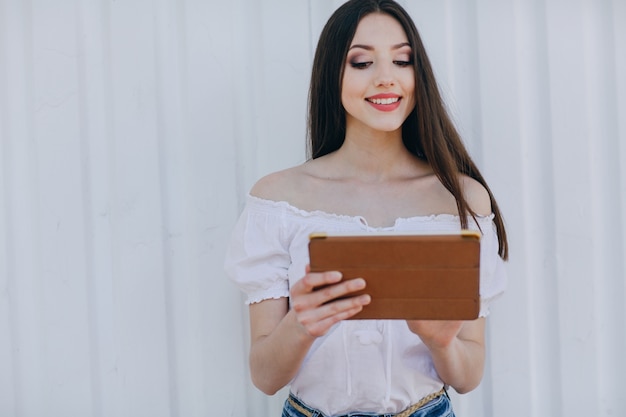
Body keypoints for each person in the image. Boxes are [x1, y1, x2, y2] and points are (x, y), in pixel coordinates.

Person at [224, 0, 508, 415]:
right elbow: (265, 378)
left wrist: (439, 340)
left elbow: (468, 376)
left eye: (401, 60)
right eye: (361, 62)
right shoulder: (278, 199)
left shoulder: (461, 199)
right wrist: (301, 324)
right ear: (332, 75)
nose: (386, 78)